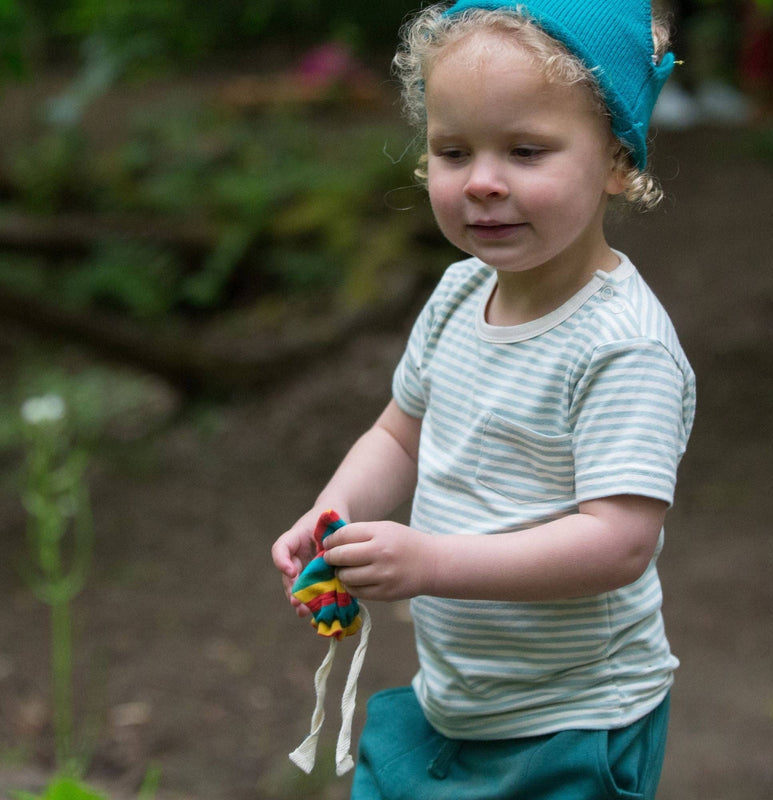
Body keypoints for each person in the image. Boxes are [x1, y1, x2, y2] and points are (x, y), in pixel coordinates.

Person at [272, 0, 696, 797]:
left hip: (574, 722)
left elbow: (618, 544)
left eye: (527, 151)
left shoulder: (622, 346)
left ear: (615, 159)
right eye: (453, 151)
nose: (484, 183)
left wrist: (430, 561)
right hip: (459, 701)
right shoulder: (461, 293)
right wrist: (332, 515)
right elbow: (400, 435)